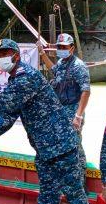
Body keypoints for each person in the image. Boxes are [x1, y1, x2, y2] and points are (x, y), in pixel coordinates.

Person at [0, 39, 89, 204]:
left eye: (4, 54)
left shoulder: (26, 78)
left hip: (62, 147)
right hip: (45, 150)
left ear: (16, 56)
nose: (1, 59)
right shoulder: (16, 80)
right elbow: (7, 118)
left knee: (75, 196)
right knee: (48, 195)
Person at [38, 33, 91, 187]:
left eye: (64, 47)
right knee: (61, 146)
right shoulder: (61, 62)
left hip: (73, 111)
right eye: (59, 47)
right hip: (60, 111)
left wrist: (78, 116)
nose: (61, 50)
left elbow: (86, 91)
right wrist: (42, 53)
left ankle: (80, 183)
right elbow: (53, 69)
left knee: (74, 146)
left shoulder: (78, 66)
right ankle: (65, 180)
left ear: (72, 48)